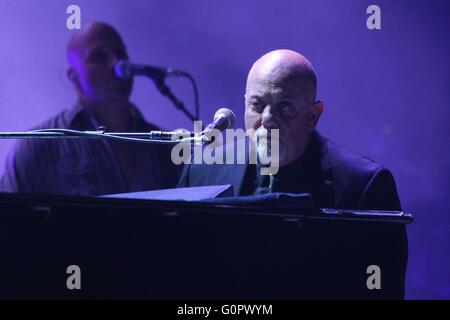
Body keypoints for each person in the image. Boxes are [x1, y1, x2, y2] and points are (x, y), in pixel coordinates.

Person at [178, 49, 402, 211]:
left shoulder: (363, 186)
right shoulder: (201, 172)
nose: (267, 119)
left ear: (312, 116)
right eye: (257, 105)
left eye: (285, 107)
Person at [0, 22, 179, 196]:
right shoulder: (39, 146)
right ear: (73, 76)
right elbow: (8, 217)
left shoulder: (165, 145)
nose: (117, 64)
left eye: (121, 54)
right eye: (99, 56)